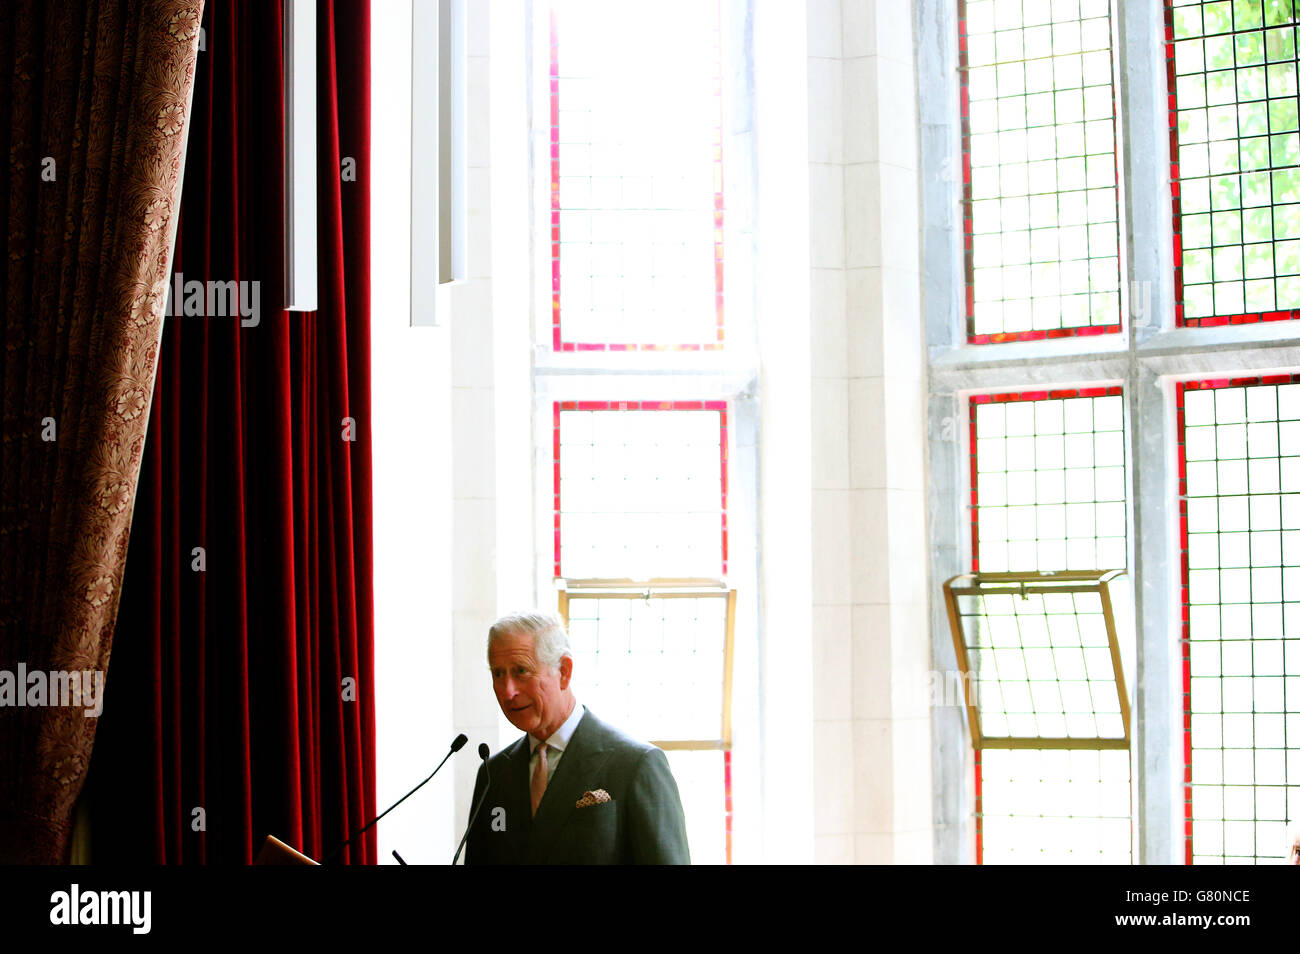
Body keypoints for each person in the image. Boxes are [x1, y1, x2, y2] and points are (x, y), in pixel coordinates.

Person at [463, 610, 690, 864]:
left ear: (564, 671)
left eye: (521, 671)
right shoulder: (493, 775)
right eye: (498, 674)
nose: (508, 691)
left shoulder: (635, 765)